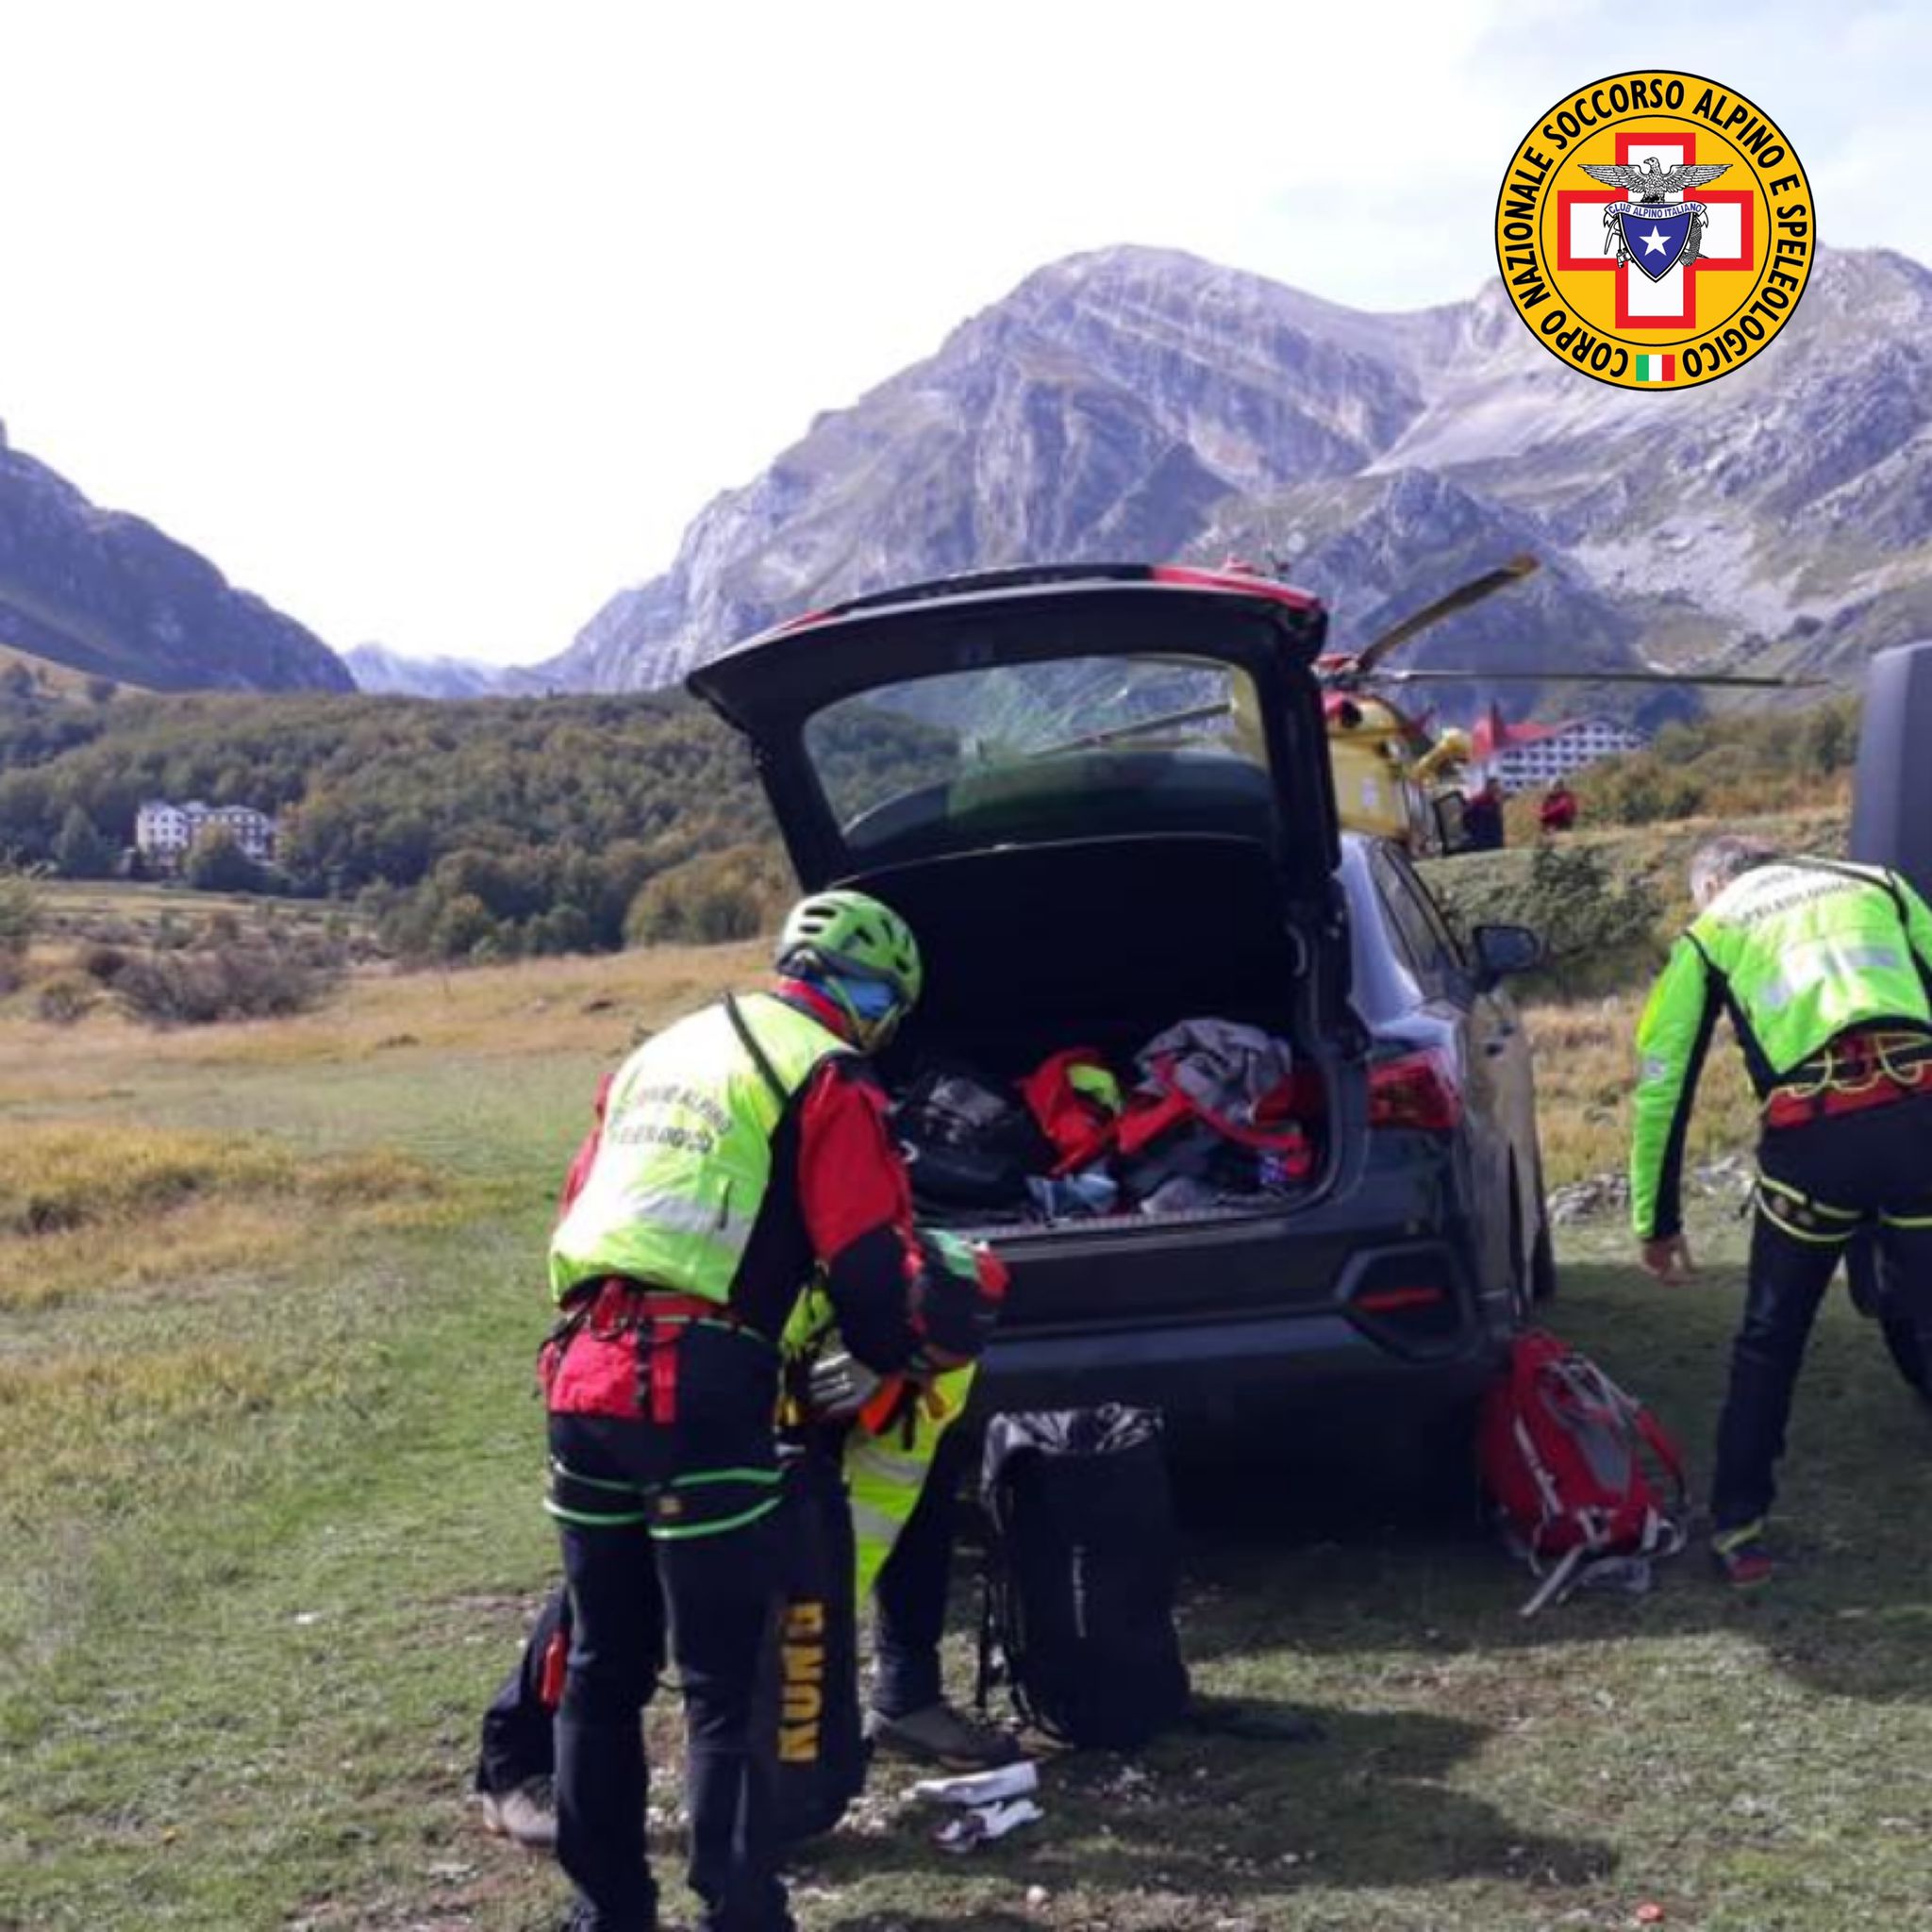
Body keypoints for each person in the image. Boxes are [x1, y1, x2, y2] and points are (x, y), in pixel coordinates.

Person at [540, 890, 1007, 1932]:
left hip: (579, 1369)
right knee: (723, 1675)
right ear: (876, 1001)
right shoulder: (826, 1070)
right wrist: (891, 1360)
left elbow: (583, 1206)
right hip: (699, 1385)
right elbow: (869, 1259)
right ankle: (740, 1908)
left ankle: (602, 1908)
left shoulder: (658, 1052)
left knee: (605, 1665)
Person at [1629, 837, 1932, 1587]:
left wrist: (1657, 1220)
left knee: (1770, 1338)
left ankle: (1739, 1530)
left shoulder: (1714, 929)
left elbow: (1665, 1080)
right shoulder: (1879, 882)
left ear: (1712, 884)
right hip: (1921, 1117)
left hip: (1815, 1145)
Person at [1462, 776, 1507, 852]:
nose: (1498, 791)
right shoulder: (1480, 800)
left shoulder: (1491, 801)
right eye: (1496, 789)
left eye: (1498, 789)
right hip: (1483, 839)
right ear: (1488, 788)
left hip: (1485, 836)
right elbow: (1467, 815)